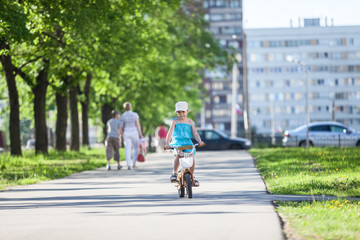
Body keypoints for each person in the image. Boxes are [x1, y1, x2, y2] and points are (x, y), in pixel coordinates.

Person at [165, 101, 205, 186]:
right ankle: (175, 173)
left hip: (187, 142)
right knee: (179, 154)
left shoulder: (190, 122)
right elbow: (170, 133)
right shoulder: (174, 122)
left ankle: (191, 176)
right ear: (176, 112)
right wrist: (167, 143)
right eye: (179, 112)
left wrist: (200, 141)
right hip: (177, 142)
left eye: (183, 112)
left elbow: (195, 134)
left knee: (192, 157)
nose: (181, 114)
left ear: (187, 111)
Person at [120, 102, 144, 170]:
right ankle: (134, 163)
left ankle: (128, 165)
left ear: (124, 108)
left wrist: (121, 136)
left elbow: (121, 127)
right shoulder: (135, 115)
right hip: (134, 132)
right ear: (130, 107)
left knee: (127, 149)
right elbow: (138, 125)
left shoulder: (122, 116)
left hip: (126, 132)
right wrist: (141, 134)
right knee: (135, 148)